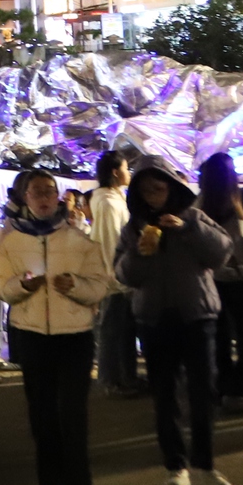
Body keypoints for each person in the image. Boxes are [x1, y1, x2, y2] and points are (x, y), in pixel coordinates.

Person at [0, 167, 110, 485]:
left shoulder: (80, 241)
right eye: (36, 192)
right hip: (31, 336)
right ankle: (50, 484)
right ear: (24, 198)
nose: (44, 197)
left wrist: (75, 286)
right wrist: (21, 286)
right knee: (42, 413)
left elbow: (100, 285)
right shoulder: (10, 243)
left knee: (73, 412)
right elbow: (0, 286)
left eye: (49, 191)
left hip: (74, 337)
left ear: (58, 196)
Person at [114, 163, 236, 485]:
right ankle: (175, 466)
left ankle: (205, 465)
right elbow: (124, 274)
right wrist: (139, 252)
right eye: (146, 191)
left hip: (197, 316)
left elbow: (222, 252)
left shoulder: (194, 218)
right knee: (164, 397)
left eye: (159, 188)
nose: (153, 196)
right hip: (154, 320)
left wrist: (185, 228)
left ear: (172, 188)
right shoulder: (134, 227)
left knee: (202, 393)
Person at [197, 154, 243, 416]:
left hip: (209, 282)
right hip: (237, 282)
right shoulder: (235, 205)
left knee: (218, 339)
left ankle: (221, 389)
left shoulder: (198, 206)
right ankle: (241, 391)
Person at [90, 152, 141, 397]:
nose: (128, 173)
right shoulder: (109, 203)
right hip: (116, 278)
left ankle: (125, 377)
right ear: (114, 172)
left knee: (122, 330)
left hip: (120, 275)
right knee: (114, 330)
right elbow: (110, 242)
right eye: (125, 168)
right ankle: (113, 380)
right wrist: (117, 275)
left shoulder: (113, 199)